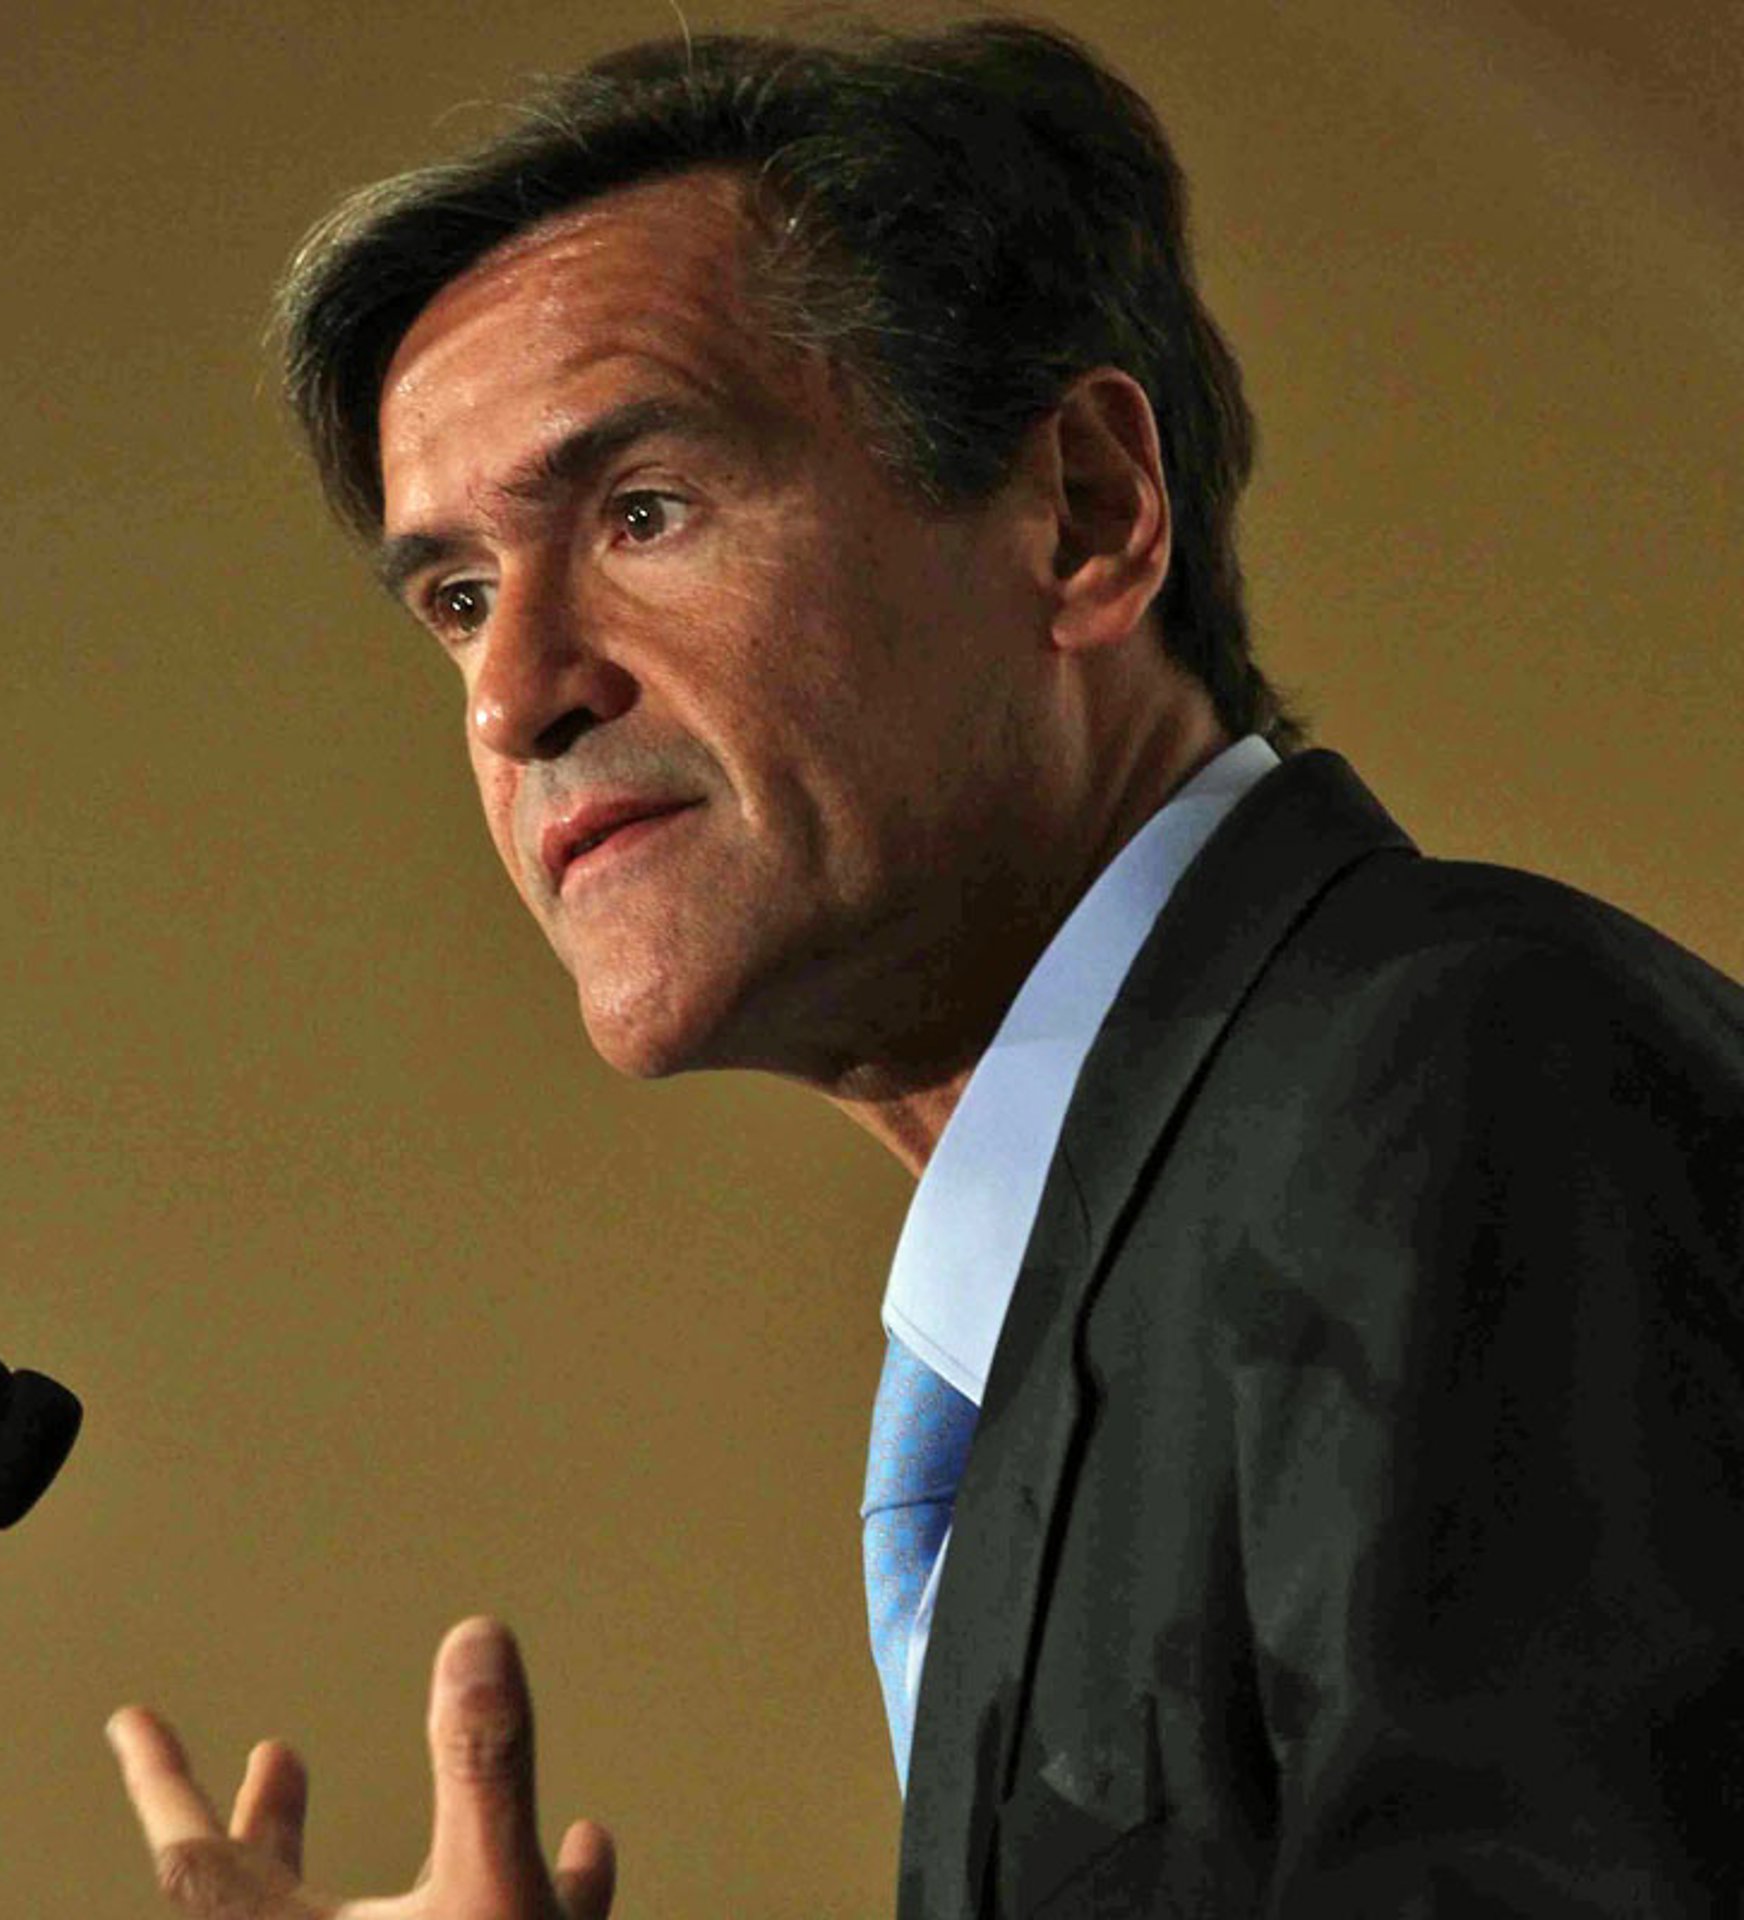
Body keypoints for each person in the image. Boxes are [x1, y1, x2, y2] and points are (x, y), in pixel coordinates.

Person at [105, 18, 1744, 1917]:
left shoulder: (1454, 1079)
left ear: (1084, 513)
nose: (512, 694)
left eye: (643, 512)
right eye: (459, 599)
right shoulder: (1123, 1269)